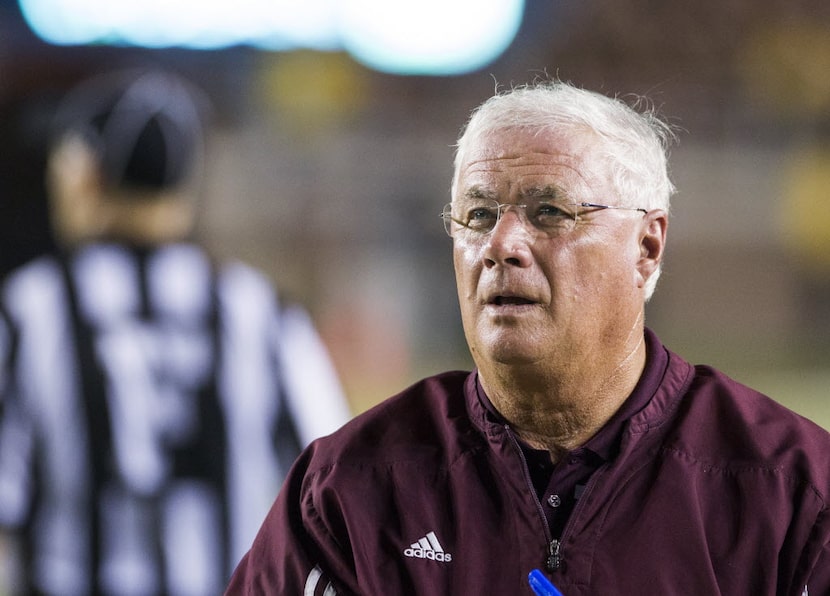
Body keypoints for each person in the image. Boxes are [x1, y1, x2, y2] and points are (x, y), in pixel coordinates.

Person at [225, 79, 830, 596]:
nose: (501, 245)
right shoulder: (349, 490)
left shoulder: (793, 493)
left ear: (646, 248)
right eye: (479, 214)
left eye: (550, 212)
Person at [0, 68, 351, 595]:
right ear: (186, 185)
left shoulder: (29, 311)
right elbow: (342, 498)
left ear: (86, 174)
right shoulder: (263, 315)